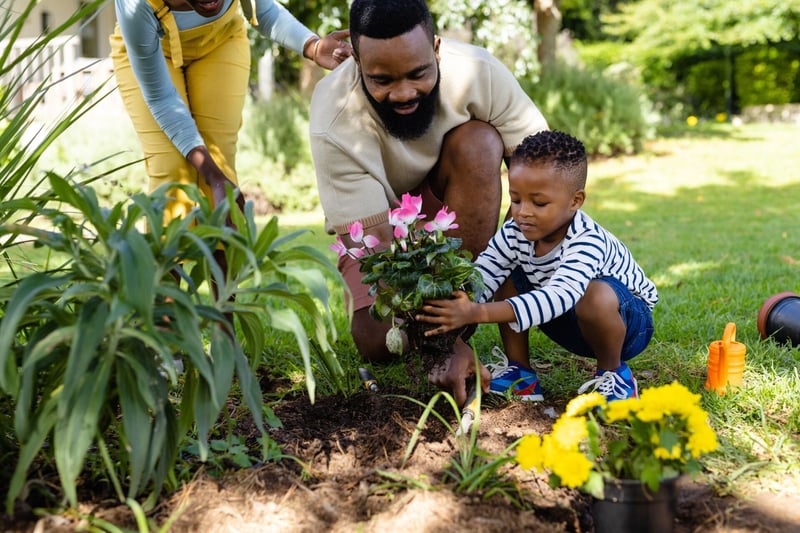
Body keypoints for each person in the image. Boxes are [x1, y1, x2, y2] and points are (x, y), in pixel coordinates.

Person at [309, 0, 548, 407]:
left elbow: (544, 167)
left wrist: (516, 256)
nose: (403, 93)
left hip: (451, 206)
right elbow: (377, 246)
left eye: (418, 73)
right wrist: (443, 343)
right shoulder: (334, 116)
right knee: (380, 342)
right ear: (355, 60)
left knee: (479, 143)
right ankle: (448, 325)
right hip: (382, 230)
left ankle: (461, 308)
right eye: (382, 79)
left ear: (436, 48)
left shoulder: (479, 72)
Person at [415, 130, 658, 402]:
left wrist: (476, 312)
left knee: (596, 295)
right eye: (516, 199)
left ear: (575, 201)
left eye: (539, 202)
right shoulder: (514, 232)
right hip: (567, 319)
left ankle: (614, 376)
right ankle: (522, 376)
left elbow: (560, 296)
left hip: (626, 326)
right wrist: (452, 305)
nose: (523, 212)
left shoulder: (586, 240)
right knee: (506, 270)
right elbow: (484, 273)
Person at [110, 0, 351, 228]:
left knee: (220, 162)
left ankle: (225, 269)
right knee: (171, 169)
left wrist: (312, 46)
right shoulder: (136, 5)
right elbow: (161, 97)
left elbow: (263, 11)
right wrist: (211, 176)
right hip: (151, 50)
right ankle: (164, 270)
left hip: (221, 41)